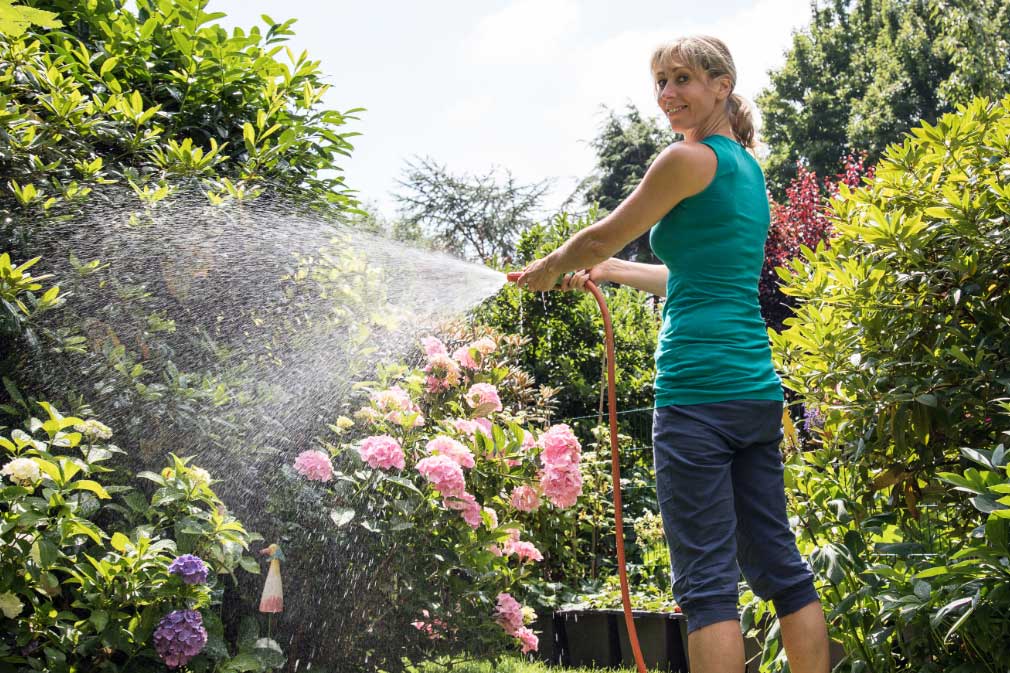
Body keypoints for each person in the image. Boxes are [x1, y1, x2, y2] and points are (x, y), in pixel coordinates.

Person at [515, 35, 830, 673]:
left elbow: (603, 233)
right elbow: (690, 278)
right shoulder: (747, 170)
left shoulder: (686, 159)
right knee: (781, 569)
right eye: (660, 81)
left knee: (707, 587)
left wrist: (551, 266)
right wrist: (612, 271)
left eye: (682, 78)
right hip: (753, 393)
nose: (667, 94)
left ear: (721, 85)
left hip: (696, 397)